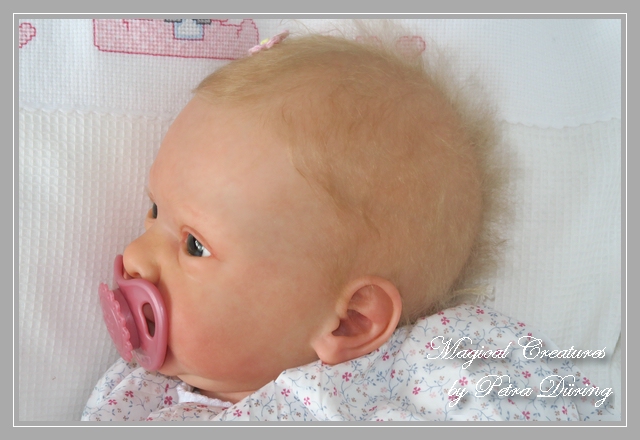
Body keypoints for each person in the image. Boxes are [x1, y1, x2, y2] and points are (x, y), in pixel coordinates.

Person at [82, 26, 617, 422]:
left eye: (194, 246)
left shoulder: (441, 374)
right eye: (155, 209)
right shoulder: (135, 396)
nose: (136, 255)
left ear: (350, 321)